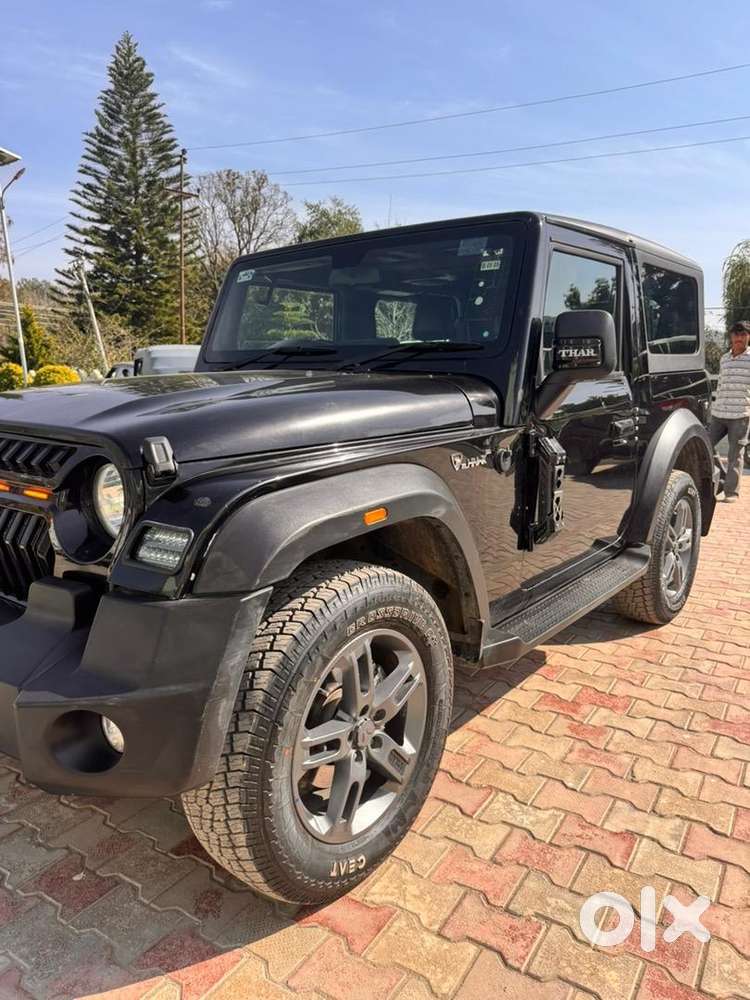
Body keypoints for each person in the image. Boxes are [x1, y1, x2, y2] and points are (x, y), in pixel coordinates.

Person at [710, 320, 750, 502]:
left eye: (743, 334)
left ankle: (731, 492)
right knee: (705, 445)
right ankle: (725, 476)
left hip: (740, 415)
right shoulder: (724, 358)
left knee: (736, 454)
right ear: (731, 336)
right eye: (736, 334)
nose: (739, 338)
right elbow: (721, 383)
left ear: (748, 337)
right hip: (719, 413)